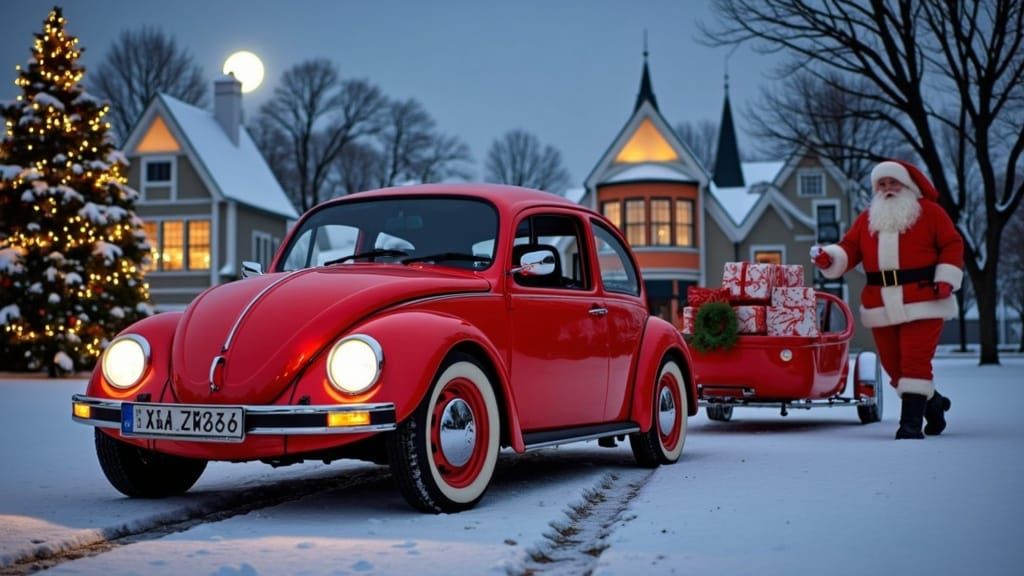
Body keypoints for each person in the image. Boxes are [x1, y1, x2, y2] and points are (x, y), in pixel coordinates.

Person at [811, 159, 964, 439]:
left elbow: (952, 244)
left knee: (914, 362)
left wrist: (946, 278)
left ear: (907, 185)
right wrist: (830, 258)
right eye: (882, 183)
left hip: (923, 299)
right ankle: (934, 405)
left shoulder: (931, 213)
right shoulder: (868, 218)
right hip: (880, 304)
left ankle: (910, 426)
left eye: (894, 182)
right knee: (894, 368)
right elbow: (850, 247)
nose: (888, 188)